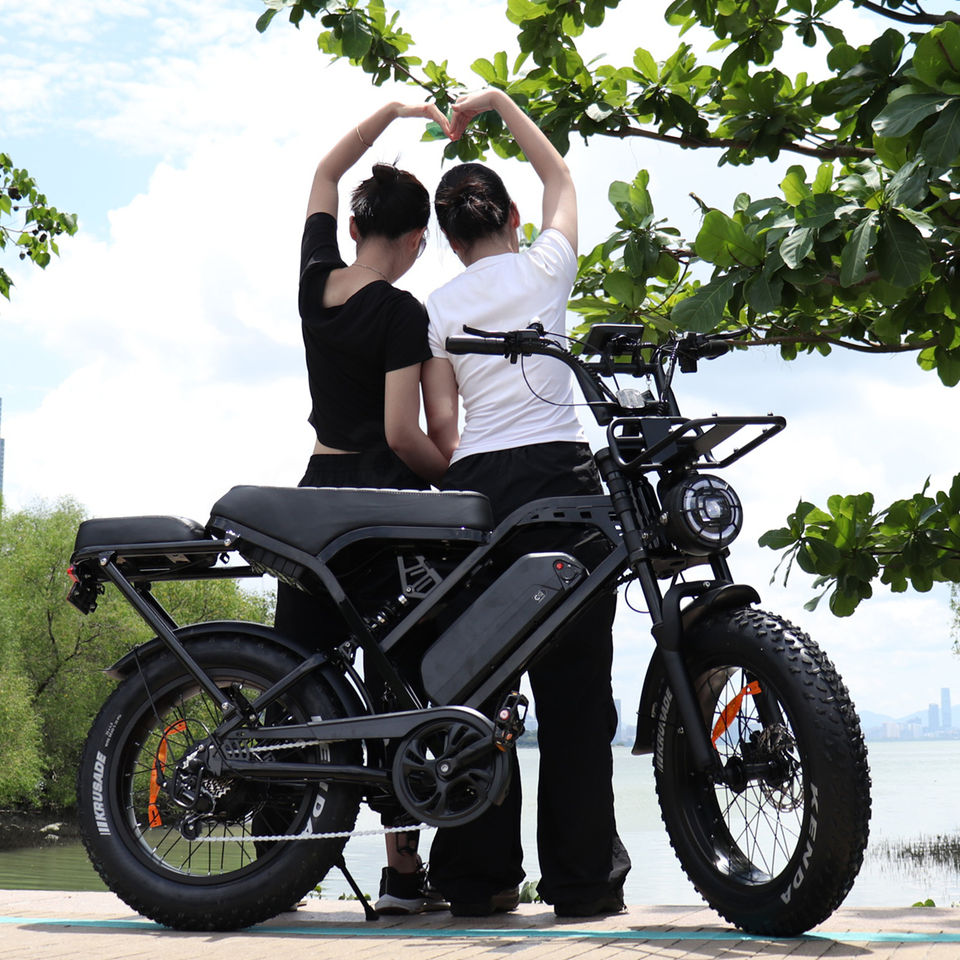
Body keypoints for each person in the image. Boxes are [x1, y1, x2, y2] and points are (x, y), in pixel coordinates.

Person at [422, 89, 631, 918]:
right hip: (562, 489)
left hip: (478, 498)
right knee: (575, 696)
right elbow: (561, 177)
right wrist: (499, 102)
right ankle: (581, 884)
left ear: (449, 240)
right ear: (511, 216)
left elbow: (444, 428)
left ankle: (479, 882)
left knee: (478, 690)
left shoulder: (437, 308)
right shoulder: (546, 268)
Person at [273, 100, 450, 915]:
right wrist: (457, 476)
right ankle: (402, 874)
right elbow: (401, 433)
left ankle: (273, 858)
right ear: (415, 241)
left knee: (292, 676)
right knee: (396, 684)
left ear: (353, 225)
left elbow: (324, 170)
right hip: (380, 512)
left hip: (313, 500)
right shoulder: (402, 312)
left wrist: (393, 112)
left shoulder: (316, 284)